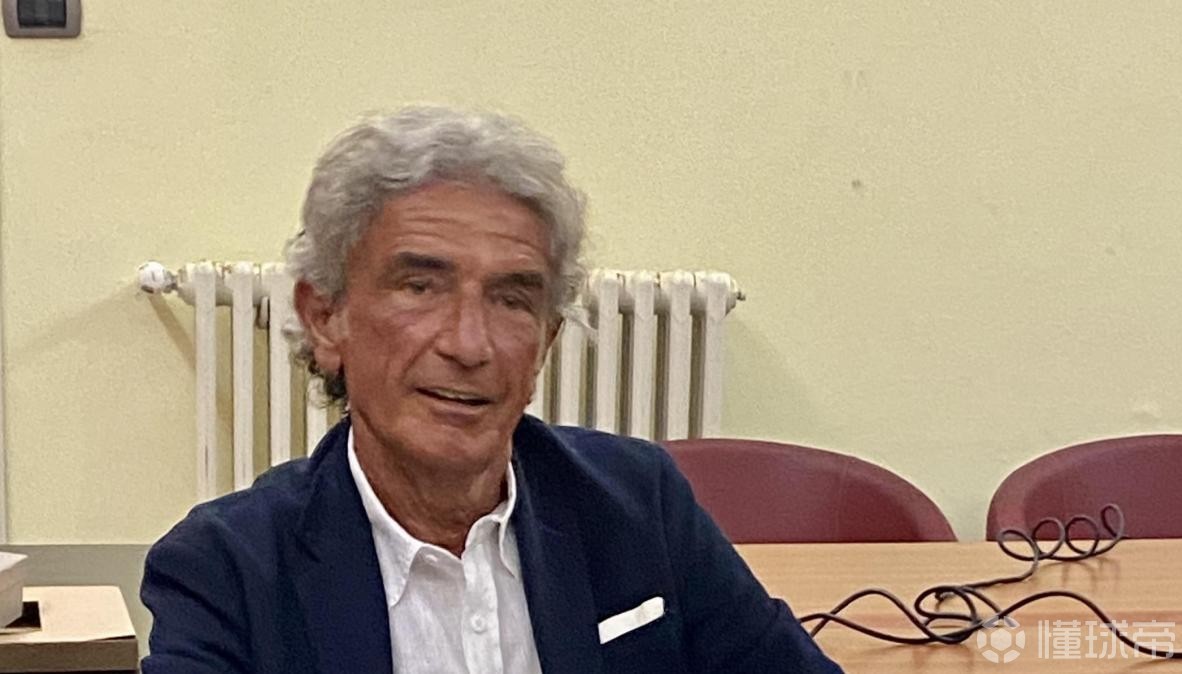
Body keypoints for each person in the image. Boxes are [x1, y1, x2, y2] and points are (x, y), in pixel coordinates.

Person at [140, 105, 843, 673]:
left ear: (546, 342)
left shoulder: (638, 507)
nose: (469, 345)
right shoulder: (227, 570)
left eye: (512, 300)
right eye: (421, 287)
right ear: (326, 319)